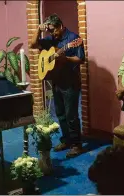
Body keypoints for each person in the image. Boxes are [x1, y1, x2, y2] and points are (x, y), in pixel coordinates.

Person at [30, 14, 85, 158]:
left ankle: (76, 145)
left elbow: (80, 59)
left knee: (71, 115)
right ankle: (66, 140)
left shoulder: (73, 39)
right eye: (50, 31)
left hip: (70, 82)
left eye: (54, 30)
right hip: (57, 81)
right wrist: (38, 29)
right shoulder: (51, 39)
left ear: (60, 26)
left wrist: (64, 58)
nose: (52, 33)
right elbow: (33, 44)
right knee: (60, 114)